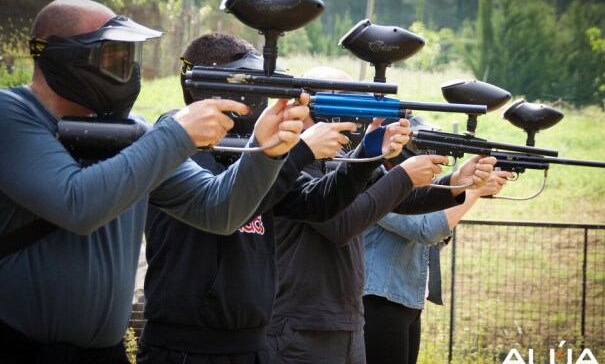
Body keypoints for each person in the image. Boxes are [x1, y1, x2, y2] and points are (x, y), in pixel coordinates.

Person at [0, 0, 310, 363]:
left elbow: (220, 210)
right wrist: (177, 135)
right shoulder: (11, 115)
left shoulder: (130, 134)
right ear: (63, 56)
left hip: (106, 354)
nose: (128, 70)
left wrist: (268, 149)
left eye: (130, 57)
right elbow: (77, 204)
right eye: (113, 56)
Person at [136, 34, 411, 364]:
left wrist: (367, 153)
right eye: (253, 86)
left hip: (253, 343)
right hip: (185, 346)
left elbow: (318, 204)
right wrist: (299, 151)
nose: (262, 100)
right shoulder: (173, 145)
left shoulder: (252, 153)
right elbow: (221, 204)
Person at [265, 67, 497, 364]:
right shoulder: (286, 163)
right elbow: (340, 223)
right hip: (299, 323)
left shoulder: (331, 162)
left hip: (344, 320)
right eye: (345, 102)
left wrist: (454, 183)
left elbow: (399, 199)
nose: (354, 116)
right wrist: (402, 174)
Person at [362, 166, 512, 364]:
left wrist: (466, 189)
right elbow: (426, 229)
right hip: (378, 301)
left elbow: (432, 239)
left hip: (406, 299)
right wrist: (474, 190)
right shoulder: (375, 181)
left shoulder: (401, 183)